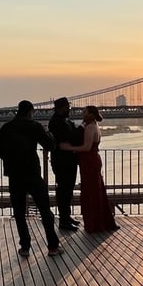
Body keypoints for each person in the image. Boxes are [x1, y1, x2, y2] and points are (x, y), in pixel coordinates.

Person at [0, 100, 64, 257]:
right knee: (45, 210)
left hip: (14, 175)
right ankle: (53, 246)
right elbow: (50, 145)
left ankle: (25, 247)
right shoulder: (35, 126)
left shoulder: (6, 128)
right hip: (32, 173)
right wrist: (48, 133)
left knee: (19, 212)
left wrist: (12, 159)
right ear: (30, 112)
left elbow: (0, 152)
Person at [59, 105, 118, 233]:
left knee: (90, 192)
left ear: (90, 114)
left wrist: (68, 148)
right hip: (92, 160)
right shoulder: (94, 125)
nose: (82, 113)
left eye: (84, 112)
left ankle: (94, 224)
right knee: (96, 191)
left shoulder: (90, 127)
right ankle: (100, 222)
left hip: (89, 161)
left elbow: (86, 147)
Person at [48, 97, 81, 231]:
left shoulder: (65, 121)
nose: (69, 110)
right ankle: (64, 220)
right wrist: (81, 129)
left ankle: (66, 216)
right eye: (67, 108)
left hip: (69, 160)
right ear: (60, 108)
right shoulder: (55, 122)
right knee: (63, 190)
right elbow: (70, 137)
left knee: (68, 189)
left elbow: (73, 137)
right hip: (62, 161)